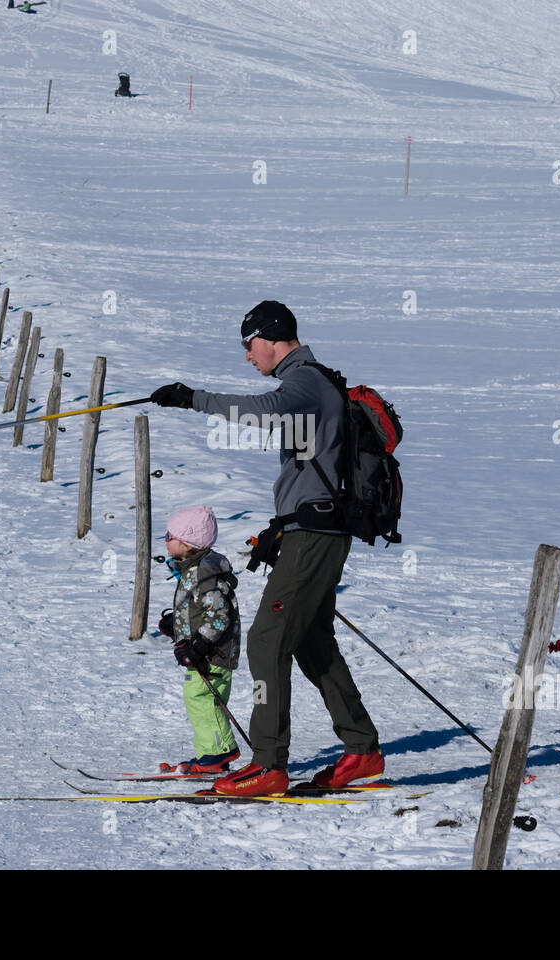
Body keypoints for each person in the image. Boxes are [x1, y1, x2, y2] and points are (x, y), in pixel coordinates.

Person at [151, 301, 382, 798]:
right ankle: (361, 748)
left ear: (272, 337)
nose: (247, 356)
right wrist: (284, 523)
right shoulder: (314, 384)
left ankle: (268, 762)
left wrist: (194, 399)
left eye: (248, 344)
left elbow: (265, 410)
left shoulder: (306, 382)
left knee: (266, 639)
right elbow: (310, 464)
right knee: (313, 642)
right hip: (312, 530)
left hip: (316, 535)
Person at [155, 506, 242, 775]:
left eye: (170, 535)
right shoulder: (196, 570)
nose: (166, 539)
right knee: (202, 700)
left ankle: (218, 751)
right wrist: (178, 627)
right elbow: (201, 608)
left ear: (186, 541)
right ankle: (211, 752)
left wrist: (199, 645)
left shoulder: (202, 574)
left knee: (201, 699)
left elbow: (219, 614)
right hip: (208, 650)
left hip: (212, 653)